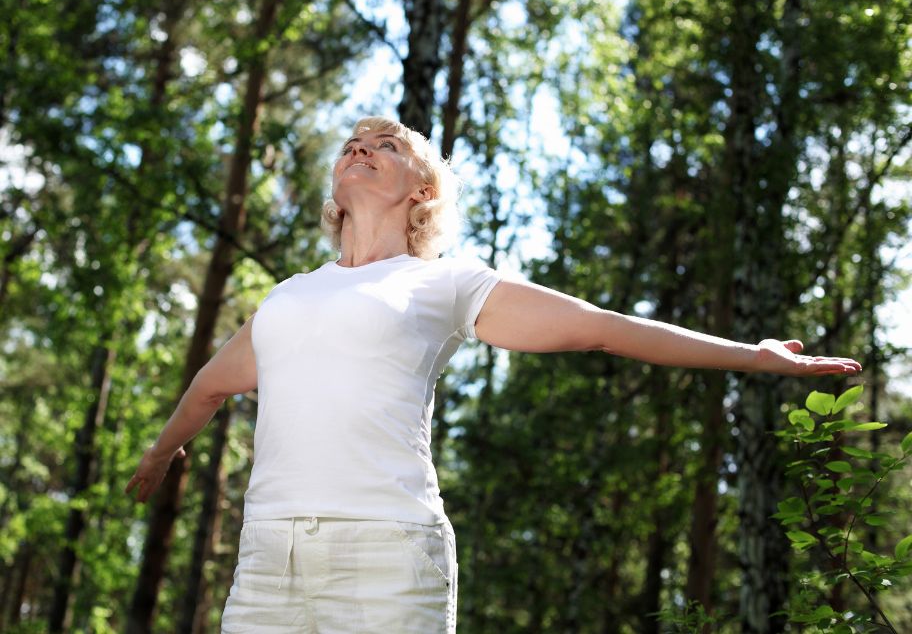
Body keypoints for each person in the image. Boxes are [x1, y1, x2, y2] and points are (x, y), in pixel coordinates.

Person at [126, 116, 861, 633]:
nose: (363, 146)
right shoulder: (287, 296)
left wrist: (750, 354)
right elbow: (211, 386)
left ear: (423, 192)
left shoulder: (442, 283)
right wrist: (162, 451)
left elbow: (602, 328)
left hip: (386, 555)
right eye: (355, 142)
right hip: (269, 558)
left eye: (388, 145)